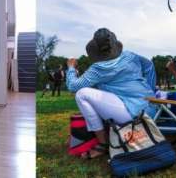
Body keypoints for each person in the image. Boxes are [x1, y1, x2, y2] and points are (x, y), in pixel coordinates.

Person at [66, 29, 157, 160]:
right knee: (98, 93)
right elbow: (149, 66)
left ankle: (102, 144)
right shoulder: (130, 56)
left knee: (82, 94)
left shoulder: (99, 68)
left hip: (135, 114)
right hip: (151, 108)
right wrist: (150, 91)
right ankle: (89, 134)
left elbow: (73, 86)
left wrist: (71, 68)